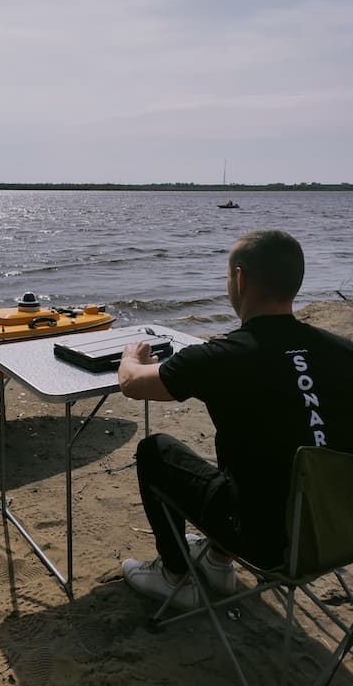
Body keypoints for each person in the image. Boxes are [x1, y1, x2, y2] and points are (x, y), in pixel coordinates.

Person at [118, 229, 353, 610]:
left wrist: (131, 356)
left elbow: (132, 384)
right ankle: (217, 560)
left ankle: (174, 575)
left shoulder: (222, 357)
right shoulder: (344, 352)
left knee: (154, 451)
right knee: (259, 437)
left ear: (239, 280)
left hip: (265, 543)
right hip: (337, 533)